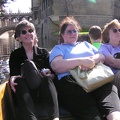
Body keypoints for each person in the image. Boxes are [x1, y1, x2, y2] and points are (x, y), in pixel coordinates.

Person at [49, 16, 120, 120]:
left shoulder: (86, 44)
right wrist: (81, 61)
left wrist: (92, 61)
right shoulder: (59, 48)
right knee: (92, 114)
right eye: (69, 32)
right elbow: (56, 65)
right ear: (63, 34)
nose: (73, 33)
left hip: (95, 78)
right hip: (72, 82)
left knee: (111, 99)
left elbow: (101, 56)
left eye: (75, 31)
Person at [9, 19, 59, 120]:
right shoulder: (15, 55)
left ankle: (55, 118)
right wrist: (12, 78)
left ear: (35, 34)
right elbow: (14, 75)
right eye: (24, 32)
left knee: (47, 79)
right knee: (19, 79)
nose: (28, 33)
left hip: (42, 93)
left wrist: (49, 74)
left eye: (31, 31)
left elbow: (53, 74)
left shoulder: (43, 52)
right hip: (26, 94)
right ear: (18, 38)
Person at [98, 19, 120, 97]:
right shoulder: (104, 48)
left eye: (119, 30)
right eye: (115, 30)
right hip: (114, 77)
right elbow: (112, 62)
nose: (118, 32)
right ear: (107, 34)